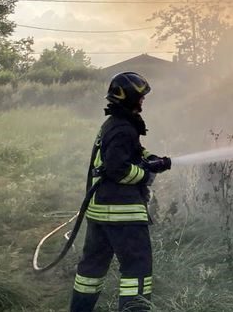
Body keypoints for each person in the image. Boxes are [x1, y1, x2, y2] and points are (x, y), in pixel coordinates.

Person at [70, 71, 172, 312]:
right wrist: (146, 175)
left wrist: (152, 159)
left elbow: (131, 151)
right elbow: (118, 168)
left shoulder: (114, 124)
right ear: (128, 98)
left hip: (100, 212)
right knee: (136, 270)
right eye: (140, 97)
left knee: (91, 271)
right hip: (122, 213)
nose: (143, 101)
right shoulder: (123, 128)